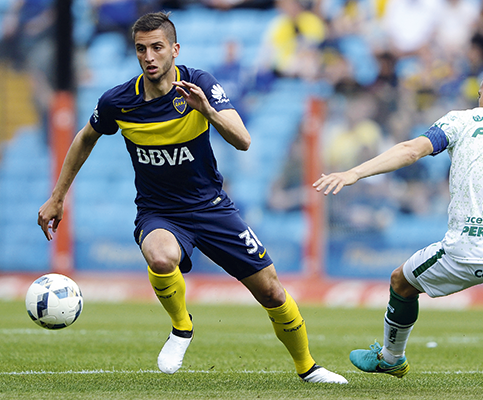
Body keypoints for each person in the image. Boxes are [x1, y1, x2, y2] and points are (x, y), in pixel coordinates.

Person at [38, 11, 347, 384]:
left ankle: (308, 368)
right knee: (160, 255)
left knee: (272, 292)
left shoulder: (198, 84)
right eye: (141, 49)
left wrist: (208, 111)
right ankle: (182, 328)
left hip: (211, 207)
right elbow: (85, 137)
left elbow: (243, 141)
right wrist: (57, 197)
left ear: (174, 49)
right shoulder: (118, 101)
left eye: (157, 48)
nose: (149, 57)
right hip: (159, 213)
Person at [314, 62, 483, 392]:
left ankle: (391, 357)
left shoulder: (463, 119)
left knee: (401, 281)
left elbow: (412, 151)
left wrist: (354, 173)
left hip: (470, 247)